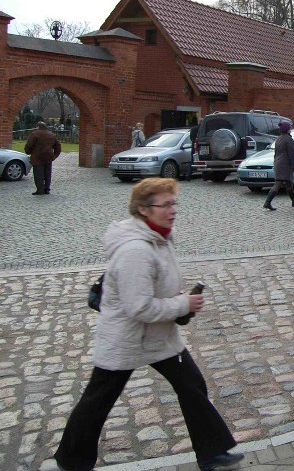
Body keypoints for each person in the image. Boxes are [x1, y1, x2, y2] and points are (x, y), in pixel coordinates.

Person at [53, 178, 243, 471]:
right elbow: (138, 306)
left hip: (158, 336)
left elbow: (154, 288)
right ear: (143, 209)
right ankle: (70, 461)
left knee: (192, 385)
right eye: (165, 204)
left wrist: (176, 298)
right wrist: (182, 305)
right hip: (126, 337)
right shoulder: (135, 251)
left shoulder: (161, 235)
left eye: (173, 202)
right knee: (98, 400)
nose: (172, 209)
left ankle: (213, 453)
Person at [263, 120, 294, 210]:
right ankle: (267, 202)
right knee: (279, 183)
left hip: (278, 162)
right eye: (290, 128)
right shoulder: (289, 139)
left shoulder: (278, 139)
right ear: (287, 130)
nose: (291, 129)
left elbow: (276, 153)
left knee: (288, 183)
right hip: (285, 164)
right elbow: (291, 154)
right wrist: (293, 166)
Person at [24, 121, 61, 196]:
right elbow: (58, 146)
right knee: (47, 173)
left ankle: (40, 189)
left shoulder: (34, 134)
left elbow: (29, 145)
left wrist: (28, 152)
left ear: (38, 127)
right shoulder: (52, 135)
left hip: (37, 157)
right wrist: (54, 155)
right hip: (48, 157)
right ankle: (47, 189)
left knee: (38, 174)